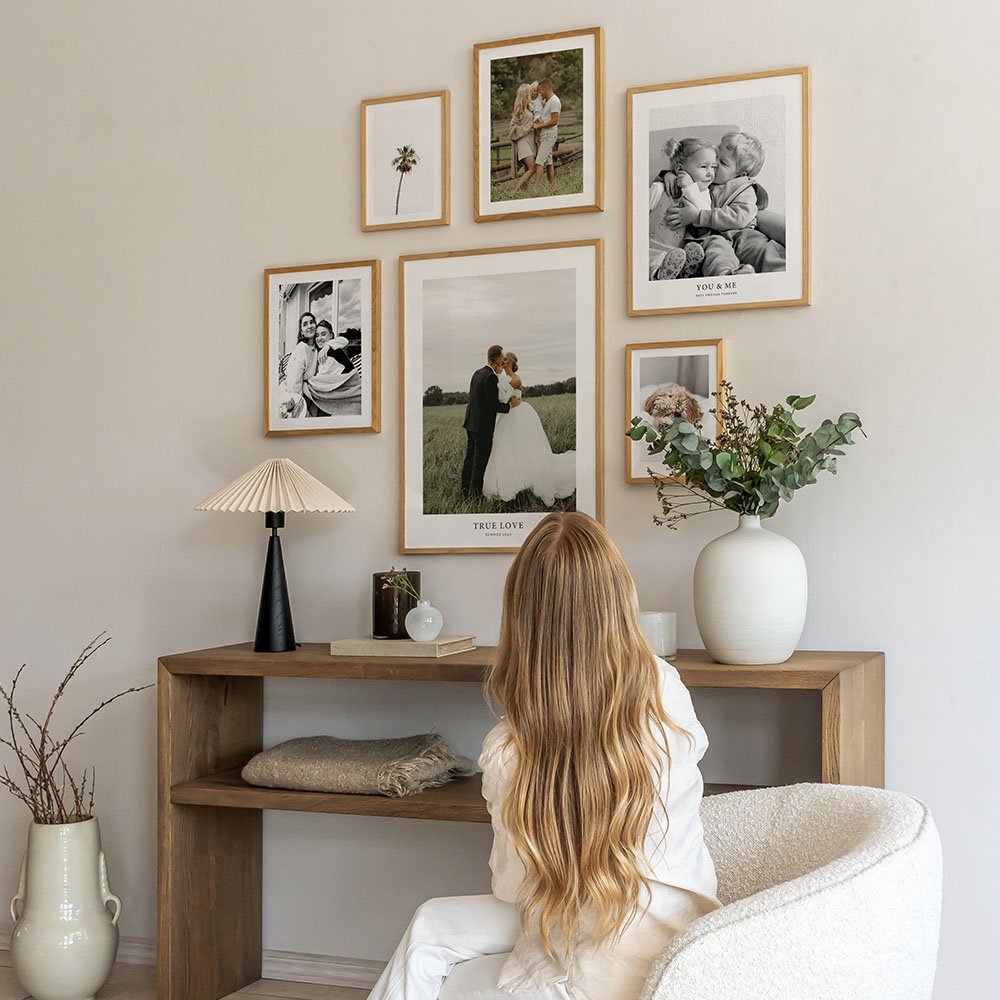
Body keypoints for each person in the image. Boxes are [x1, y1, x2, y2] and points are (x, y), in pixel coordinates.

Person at [367, 513, 719, 1000]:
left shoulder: (508, 751)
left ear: (521, 616)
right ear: (619, 598)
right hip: (681, 933)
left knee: (429, 931)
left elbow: (513, 887)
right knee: (430, 924)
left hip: (589, 957)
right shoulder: (666, 688)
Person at [664, 131, 772, 277]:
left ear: (739, 176)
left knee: (763, 251)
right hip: (716, 238)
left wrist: (698, 216)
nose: (714, 164)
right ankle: (730, 276)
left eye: (722, 163)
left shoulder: (744, 188)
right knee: (717, 252)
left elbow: (739, 217)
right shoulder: (705, 178)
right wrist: (669, 175)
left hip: (743, 235)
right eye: (716, 156)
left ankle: (782, 272)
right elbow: (685, 168)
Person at [482, 352, 576, 507]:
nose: (502, 361)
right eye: (502, 359)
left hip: (517, 415)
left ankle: (524, 479)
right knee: (505, 448)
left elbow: (502, 397)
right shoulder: (503, 379)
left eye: (505, 359)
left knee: (521, 446)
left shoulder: (515, 379)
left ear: (511, 362)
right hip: (507, 415)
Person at [648, 137, 717, 281]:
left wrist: (689, 187)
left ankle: (686, 271)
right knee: (653, 260)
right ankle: (658, 275)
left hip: (678, 253)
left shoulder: (704, 195)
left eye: (714, 167)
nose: (710, 173)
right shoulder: (659, 189)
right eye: (704, 167)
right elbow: (635, 217)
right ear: (680, 169)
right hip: (651, 246)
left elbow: (704, 215)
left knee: (681, 257)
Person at [461, 345, 521, 499]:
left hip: (471, 423)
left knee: (470, 458)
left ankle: (465, 490)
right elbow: (492, 405)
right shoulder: (490, 377)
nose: (503, 362)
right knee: (479, 462)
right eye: (502, 358)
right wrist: (509, 406)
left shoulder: (477, 373)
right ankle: (474, 497)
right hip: (482, 427)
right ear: (496, 360)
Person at [279, 311, 319, 418]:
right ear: (302, 332)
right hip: (292, 398)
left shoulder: (317, 349)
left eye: (312, 322)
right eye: (305, 324)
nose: (310, 326)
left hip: (308, 396)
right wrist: (301, 410)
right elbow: (294, 384)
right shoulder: (302, 348)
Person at [531, 78, 561, 187]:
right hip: (545, 135)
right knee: (549, 163)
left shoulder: (555, 101)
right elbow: (546, 118)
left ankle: (535, 188)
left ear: (546, 88)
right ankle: (551, 186)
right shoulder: (548, 101)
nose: (539, 93)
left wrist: (539, 126)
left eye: (540, 90)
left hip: (549, 136)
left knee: (539, 162)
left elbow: (554, 121)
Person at [509, 83, 537, 191]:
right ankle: (515, 192)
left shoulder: (530, 107)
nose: (531, 93)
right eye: (529, 92)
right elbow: (513, 128)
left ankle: (524, 193)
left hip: (531, 140)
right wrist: (526, 129)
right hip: (523, 141)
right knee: (532, 168)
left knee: (528, 169)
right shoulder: (519, 109)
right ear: (525, 94)